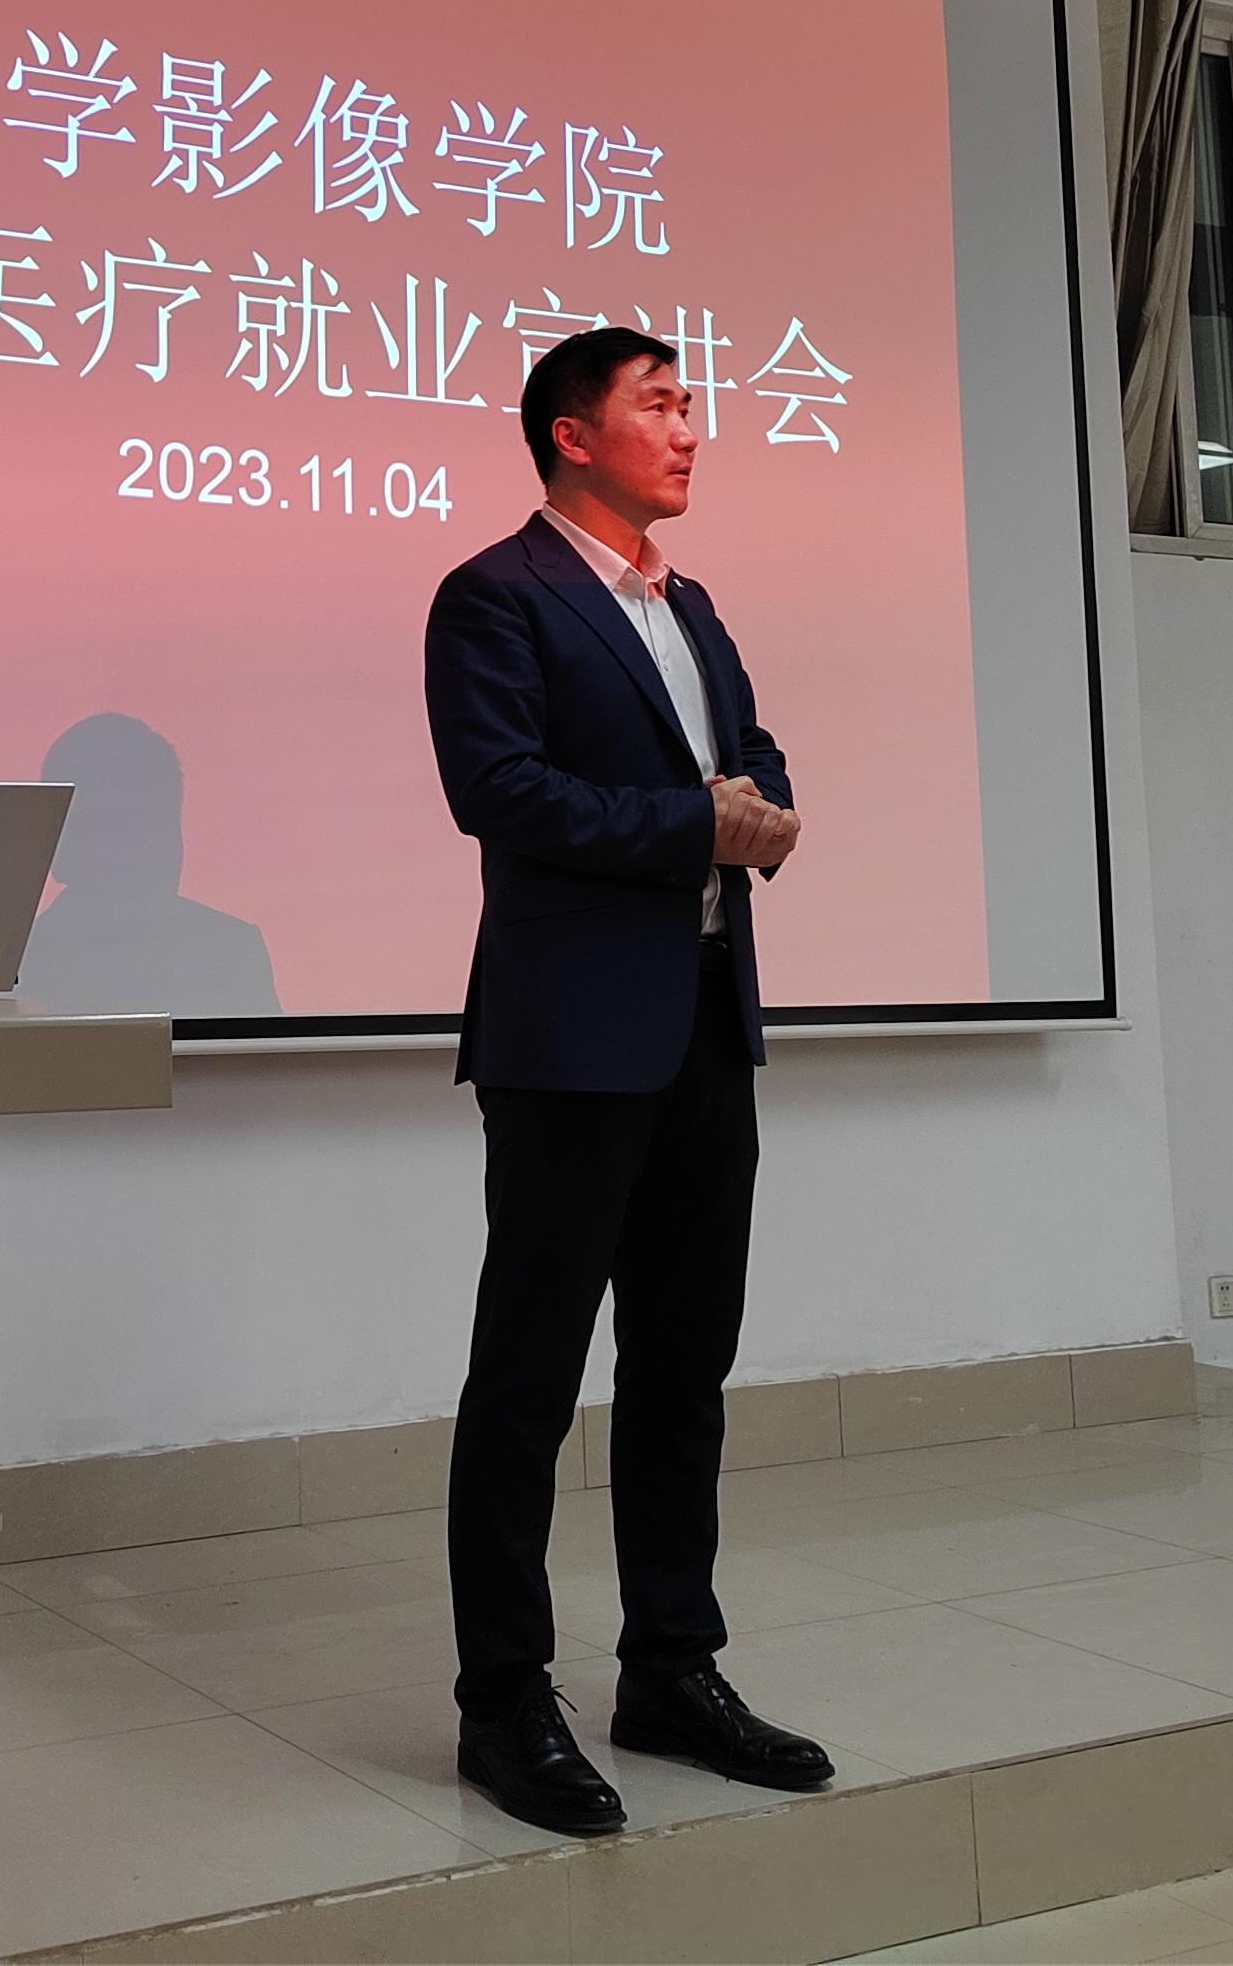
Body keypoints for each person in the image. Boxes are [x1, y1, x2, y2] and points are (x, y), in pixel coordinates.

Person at [420, 325, 832, 1837]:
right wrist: (697, 825)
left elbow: (747, 751)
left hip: (704, 1031)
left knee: (682, 1368)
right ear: (572, 435)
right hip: (569, 1042)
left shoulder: (690, 603)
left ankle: (668, 1668)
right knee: (526, 1379)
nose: (690, 428)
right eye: (659, 404)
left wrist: (764, 806)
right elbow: (500, 792)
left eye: (691, 402)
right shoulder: (496, 595)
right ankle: (502, 1701)